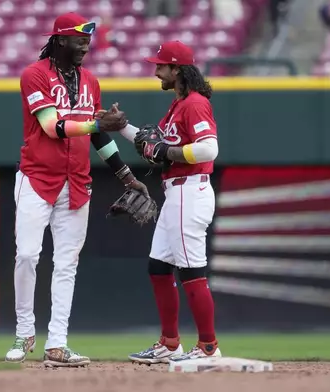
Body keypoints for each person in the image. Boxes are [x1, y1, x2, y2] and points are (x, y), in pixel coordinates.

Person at [5, 12, 150, 368]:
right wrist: (98, 121)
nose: (85, 45)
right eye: (78, 39)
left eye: (87, 40)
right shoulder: (34, 75)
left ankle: (57, 344)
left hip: (76, 182)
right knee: (27, 255)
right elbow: (53, 127)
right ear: (59, 41)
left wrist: (126, 175)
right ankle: (25, 333)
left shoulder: (90, 81)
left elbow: (97, 134)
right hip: (37, 178)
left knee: (66, 264)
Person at [103, 41, 222, 363]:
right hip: (176, 193)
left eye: (161, 66)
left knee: (191, 270)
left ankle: (208, 347)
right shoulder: (177, 105)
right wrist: (121, 127)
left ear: (178, 69)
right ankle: (170, 344)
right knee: (158, 268)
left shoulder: (194, 104)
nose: (156, 71)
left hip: (190, 191)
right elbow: (149, 143)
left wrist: (168, 153)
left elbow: (209, 150)